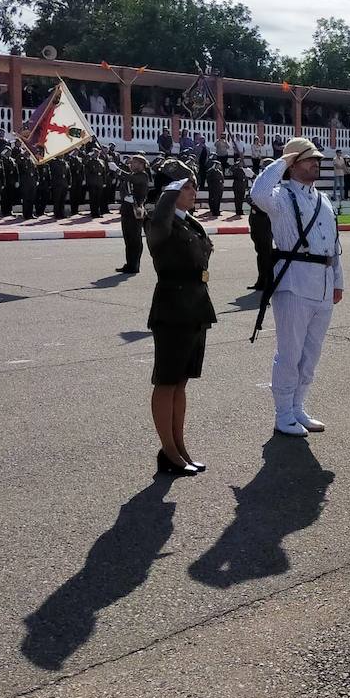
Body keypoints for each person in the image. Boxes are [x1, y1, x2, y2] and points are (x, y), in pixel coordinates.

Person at [250, 138, 344, 436]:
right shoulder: (280, 196)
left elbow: (335, 245)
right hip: (294, 283)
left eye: (316, 159)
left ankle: (299, 406)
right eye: (307, 159)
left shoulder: (324, 199)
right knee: (290, 353)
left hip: (324, 282)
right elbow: (257, 192)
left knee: (311, 353)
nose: (315, 163)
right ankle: (283, 413)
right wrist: (283, 160)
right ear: (293, 164)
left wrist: (338, 281)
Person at [145, 174, 215, 475]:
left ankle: (179, 446)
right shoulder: (161, 223)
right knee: (167, 381)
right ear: (170, 192)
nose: (192, 191)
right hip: (173, 308)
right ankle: (169, 451)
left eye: (193, 186)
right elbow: (158, 224)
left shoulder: (190, 223)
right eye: (185, 187)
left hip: (196, 307)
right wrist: (168, 194)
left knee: (182, 381)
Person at [115, 154, 151, 274]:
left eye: (135, 163)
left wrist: (116, 169)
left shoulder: (143, 176)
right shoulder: (131, 175)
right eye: (132, 162)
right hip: (126, 209)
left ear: (141, 164)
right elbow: (122, 177)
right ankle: (129, 263)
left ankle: (135, 265)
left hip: (136, 210)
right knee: (128, 238)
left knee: (135, 238)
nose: (132, 164)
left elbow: (132, 180)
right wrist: (112, 167)